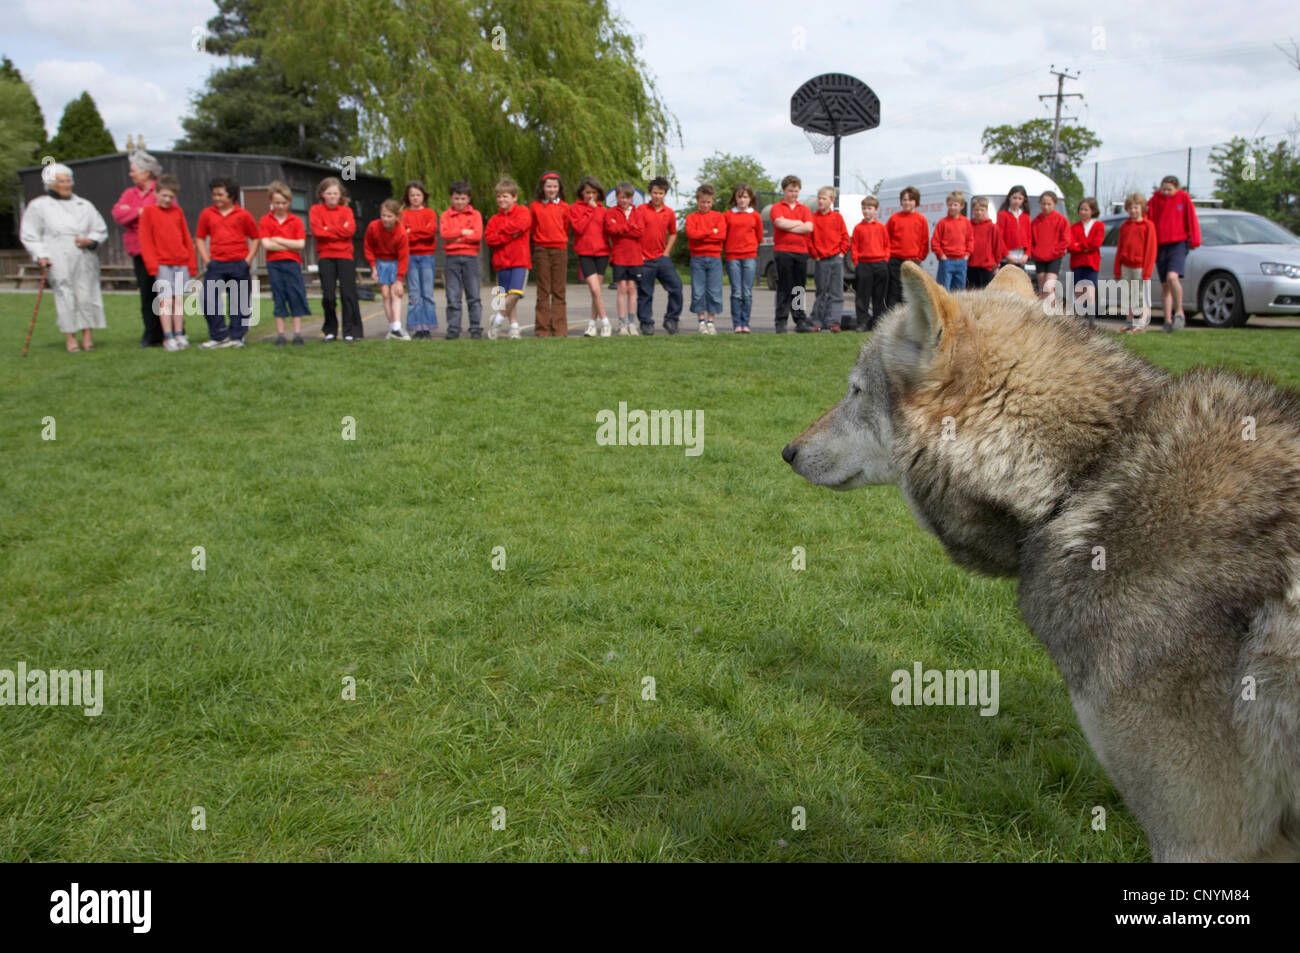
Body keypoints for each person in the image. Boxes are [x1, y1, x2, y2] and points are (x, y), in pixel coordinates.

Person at [19, 162, 108, 353]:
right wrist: (41, 255)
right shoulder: (39, 206)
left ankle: (87, 336)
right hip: (57, 255)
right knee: (65, 295)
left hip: (84, 256)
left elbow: (100, 229)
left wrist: (90, 240)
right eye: (61, 181)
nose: (67, 184)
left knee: (87, 294)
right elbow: (30, 234)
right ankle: (70, 337)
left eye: (68, 180)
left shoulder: (84, 205)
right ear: (51, 184)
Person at [196, 176, 260, 349]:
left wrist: (248, 260)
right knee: (208, 299)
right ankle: (218, 336)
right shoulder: (207, 214)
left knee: (239, 302)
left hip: (239, 263)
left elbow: (255, 238)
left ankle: (237, 337)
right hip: (216, 264)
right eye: (214, 194)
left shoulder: (243, 215)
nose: (216, 198)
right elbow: (200, 238)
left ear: (231, 196)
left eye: (220, 194)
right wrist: (206, 259)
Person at [139, 173, 196, 351]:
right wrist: (152, 264)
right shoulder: (148, 212)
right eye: (164, 195)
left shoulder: (177, 212)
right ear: (156, 193)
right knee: (165, 302)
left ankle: (179, 334)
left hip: (181, 261)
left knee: (178, 301)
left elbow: (186, 237)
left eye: (171, 197)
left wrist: (191, 262)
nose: (167, 199)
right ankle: (168, 336)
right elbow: (145, 240)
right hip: (162, 263)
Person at [111, 149, 162, 347]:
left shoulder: (161, 190)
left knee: (164, 292)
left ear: (146, 172)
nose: (131, 174)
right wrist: (141, 211)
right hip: (139, 251)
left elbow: (161, 215)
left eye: (134, 171)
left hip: (160, 250)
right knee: (146, 294)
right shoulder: (129, 193)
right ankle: (150, 334)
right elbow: (117, 213)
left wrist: (135, 212)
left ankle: (171, 331)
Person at [310, 176, 362, 342]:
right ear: (322, 194)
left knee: (348, 294)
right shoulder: (315, 211)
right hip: (326, 256)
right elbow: (318, 232)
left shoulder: (346, 211)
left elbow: (350, 231)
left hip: (345, 255)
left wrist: (329, 229)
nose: (332, 196)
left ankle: (349, 331)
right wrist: (339, 230)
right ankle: (331, 329)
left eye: (335, 193)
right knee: (328, 295)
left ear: (340, 195)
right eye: (329, 193)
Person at [258, 180, 310, 346]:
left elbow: (300, 245)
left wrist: (279, 239)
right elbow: (266, 244)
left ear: (289, 202)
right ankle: (280, 334)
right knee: (278, 296)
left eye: (283, 202)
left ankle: (297, 334)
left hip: (292, 263)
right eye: (277, 203)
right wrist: (289, 243)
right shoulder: (265, 220)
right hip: (274, 264)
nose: (280, 206)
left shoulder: (295, 221)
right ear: (271, 202)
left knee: (295, 296)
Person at [1148, 174, 1202, 332]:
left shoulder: (1184, 199)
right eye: (1163, 189)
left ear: (1176, 189)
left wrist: (1195, 240)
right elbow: (1149, 220)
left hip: (1178, 243)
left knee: (1173, 277)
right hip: (1160, 245)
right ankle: (1168, 321)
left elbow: (1191, 219)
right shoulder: (1155, 201)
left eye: (1169, 189)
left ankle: (1179, 311)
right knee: (1165, 285)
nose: (1166, 192)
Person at [483, 178, 532, 340]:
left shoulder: (523, 212)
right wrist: (509, 235)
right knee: (506, 296)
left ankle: (498, 319)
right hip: (501, 262)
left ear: (514, 197)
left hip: (520, 260)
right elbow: (490, 239)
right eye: (499, 196)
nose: (501, 200)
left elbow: (521, 226)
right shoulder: (493, 220)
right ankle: (514, 326)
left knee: (515, 293)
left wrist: (501, 234)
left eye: (505, 196)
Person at [634, 176, 682, 335]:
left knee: (676, 287)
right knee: (645, 293)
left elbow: (673, 233)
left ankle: (671, 319)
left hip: (662, 259)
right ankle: (646, 323)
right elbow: (635, 232)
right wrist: (638, 253)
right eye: (655, 193)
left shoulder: (669, 213)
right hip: (644, 260)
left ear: (665, 194)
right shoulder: (640, 210)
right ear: (650, 193)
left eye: (661, 193)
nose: (657, 196)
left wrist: (667, 252)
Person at [440, 181, 484, 339]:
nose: (459, 202)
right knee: (453, 296)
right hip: (452, 258)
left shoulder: (476, 215)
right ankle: (453, 328)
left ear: (468, 199)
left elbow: (477, 235)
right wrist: (463, 231)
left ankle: (475, 327)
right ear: (451, 199)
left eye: (463, 198)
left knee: (473, 294)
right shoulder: (445, 215)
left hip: (470, 257)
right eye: (456, 198)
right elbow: (445, 235)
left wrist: (457, 237)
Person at [529, 171, 569, 338]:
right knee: (543, 291)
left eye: (555, 186)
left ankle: (559, 330)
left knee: (559, 291)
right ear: (543, 188)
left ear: (559, 188)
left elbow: (565, 227)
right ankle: (542, 330)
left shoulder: (565, 207)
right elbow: (532, 228)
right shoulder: (535, 206)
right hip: (542, 250)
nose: (551, 189)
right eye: (548, 186)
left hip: (559, 249)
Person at [570, 176, 611, 339]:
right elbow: (579, 228)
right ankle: (606, 322)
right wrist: (590, 210)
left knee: (597, 293)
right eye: (588, 192)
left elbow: (608, 232)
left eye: (594, 192)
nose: (591, 196)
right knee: (594, 289)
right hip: (585, 253)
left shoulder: (603, 210)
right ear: (582, 193)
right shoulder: (576, 208)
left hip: (602, 253)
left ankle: (592, 325)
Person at [771, 175, 814, 332]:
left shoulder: (804, 209)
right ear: (784, 191)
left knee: (798, 288)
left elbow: (809, 227)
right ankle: (781, 321)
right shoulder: (777, 207)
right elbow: (779, 223)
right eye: (790, 191)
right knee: (784, 287)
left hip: (800, 252)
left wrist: (790, 225)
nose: (793, 194)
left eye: (796, 191)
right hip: (783, 252)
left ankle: (800, 320)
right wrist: (798, 223)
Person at [365, 198, 411, 340]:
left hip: (395, 262)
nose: (385, 219)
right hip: (380, 262)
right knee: (385, 294)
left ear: (397, 217)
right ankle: (392, 327)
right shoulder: (373, 227)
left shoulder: (401, 233)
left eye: (389, 216)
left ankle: (397, 327)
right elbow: (368, 247)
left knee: (395, 293)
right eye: (383, 215)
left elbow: (404, 257)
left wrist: (399, 280)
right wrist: (373, 266)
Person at [685, 183, 727, 334]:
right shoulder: (691, 217)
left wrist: (702, 234)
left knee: (714, 291)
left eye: (708, 202)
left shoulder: (719, 217)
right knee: (698, 291)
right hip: (697, 258)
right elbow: (692, 235)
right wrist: (711, 232)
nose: (705, 205)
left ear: (712, 201)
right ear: (698, 201)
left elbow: (721, 235)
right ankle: (701, 322)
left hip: (714, 257)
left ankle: (711, 322)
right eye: (703, 202)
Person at [1113, 192, 1157, 333]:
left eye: (1136, 207)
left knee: (1140, 295)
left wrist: (1147, 271)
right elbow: (1120, 248)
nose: (1133, 210)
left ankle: (1142, 321)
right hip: (1126, 265)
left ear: (1142, 208)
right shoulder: (1125, 226)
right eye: (1131, 208)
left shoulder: (1148, 226)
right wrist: (1117, 269)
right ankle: (1129, 320)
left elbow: (1151, 250)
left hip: (1140, 267)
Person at [604, 182, 644, 336]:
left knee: (632, 289)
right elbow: (612, 230)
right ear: (617, 197)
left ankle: (632, 323)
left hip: (634, 257)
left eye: (627, 197)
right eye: (621, 197)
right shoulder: (611, 213)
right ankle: (622, 323)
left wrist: (623, 229)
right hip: (619, 256)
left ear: (631, 198)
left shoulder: (638, 213)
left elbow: (640, 232)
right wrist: (629, 227)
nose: (624, 200)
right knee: (621, 289)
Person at [401, 180, 439, 338]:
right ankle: (417, 327)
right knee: (414, 293)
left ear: (423, 196)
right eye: (412, 195)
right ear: (407, 197)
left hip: (426, 256)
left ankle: (428, 327)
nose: (415, 198)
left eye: (418, 195)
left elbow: (430, 232)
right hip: (411, 257)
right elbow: (403, 235)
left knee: (427, 293)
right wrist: (416, 232)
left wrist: (412, 231)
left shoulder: (430, 213)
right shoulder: (403, 215)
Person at [723, 183, 763, 333]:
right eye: (739, 197)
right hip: (733, 256)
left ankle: (745, 323)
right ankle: (737, 324)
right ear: (735, 198)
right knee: (736, 292)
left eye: (745, 197)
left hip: (749, 256)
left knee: (747, 291)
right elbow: (724, 235)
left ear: (750, 199)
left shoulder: (755, 215)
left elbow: (759, 237)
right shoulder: (728, 215)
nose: (742, 200)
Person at [809, 186, 850, 331]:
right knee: (821, 292)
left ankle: (834, 322)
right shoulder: (813, 218)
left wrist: (841, 253)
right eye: (819, 198)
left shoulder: (837, 218)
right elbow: (809, 239)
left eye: (824, 198)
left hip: (836, 259)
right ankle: (817, 322)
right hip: (821, 260)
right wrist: (816, 255)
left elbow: (845, 237)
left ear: (831, 201)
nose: (820, 201)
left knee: (836, 292)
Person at [886, 186, 929, 308]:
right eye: (904, 200)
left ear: (916, 202)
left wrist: (919, 258)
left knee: (910, 291)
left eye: (910, 200)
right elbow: (886, 239)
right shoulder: (894, 218)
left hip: (912, 261)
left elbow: (924, 241)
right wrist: (889, 256)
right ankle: (892, 317)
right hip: (895, 260)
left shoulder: (921, 220)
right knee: (894, 290)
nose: (907, 203)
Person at [851, 196, 889, 329]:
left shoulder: (881, 227)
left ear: (875, 210)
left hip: (879, 264)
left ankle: (877, 322)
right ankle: (862, 322)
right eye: (864, 208)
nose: (866, 211)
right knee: (862, 296)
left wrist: (885, 260)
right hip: (864, 264)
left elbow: (886, 245)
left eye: (869, 208)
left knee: (879, 296)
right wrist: (856, 261)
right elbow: (854, 246)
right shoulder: (858, 228)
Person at [1067, 197, 1104, 322]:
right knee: (1079, 290)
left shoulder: (1098, 225)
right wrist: (1084, 247)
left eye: (1086, 210)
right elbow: (1071, 246)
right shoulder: (1074, 227)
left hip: (1091, 263)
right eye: (1081, 209)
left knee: (1090, 289)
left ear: (1092, 211)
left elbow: (1095, 244)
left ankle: (1091, 319)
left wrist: (1080, 245)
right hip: (1077, 263)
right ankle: (1080, 319)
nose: (1083, 212)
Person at [1030, 191, 1069, 303]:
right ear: (1040, 204)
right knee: (1042, 286)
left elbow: (1066, 240)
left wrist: (1055, 251)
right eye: (1043, 204)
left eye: (1049, 204)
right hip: (1039, 257)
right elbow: (1031, 240)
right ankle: (1044, 313)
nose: (1046, 207)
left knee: (1049, 286)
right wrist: (1035, 252)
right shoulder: (1036, 222)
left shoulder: (1061, 220)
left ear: (1054, 204)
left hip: (1054, 257)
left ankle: (1052, 313)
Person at [932, 190, 973, 291]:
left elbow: (970, 239)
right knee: (944, 290)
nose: (952, 207)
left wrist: (967, 255)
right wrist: (942, 256)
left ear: (962, 206)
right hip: (947, 261)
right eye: (950, 205)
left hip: (961, 262)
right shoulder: (943, 223)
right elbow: (935, 242)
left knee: (959, 291)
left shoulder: (966, 222)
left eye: (955, 205)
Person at [966, 197, 1006, 290]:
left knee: (985, 292)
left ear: (986, 210)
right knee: (971, 292)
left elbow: (997, 247)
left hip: (987, 267)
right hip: (971, 265)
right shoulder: (968, 225)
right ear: (972, 210)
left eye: (982, 210)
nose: (979, 212)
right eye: (976, 210)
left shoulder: (993, 227)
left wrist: (997, 265)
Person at [996, 184, 1032, 269]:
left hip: (1021, 257)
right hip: (1008, 257)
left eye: (1020, 198)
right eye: (1014, 198)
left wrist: (1026, 254)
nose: (1017, 201)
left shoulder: (1025, 216)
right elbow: (1000, 238)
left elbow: (1029, 238)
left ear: (1023, 200)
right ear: (1009, 198)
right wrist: (1007, 255)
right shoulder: (1003, 215)